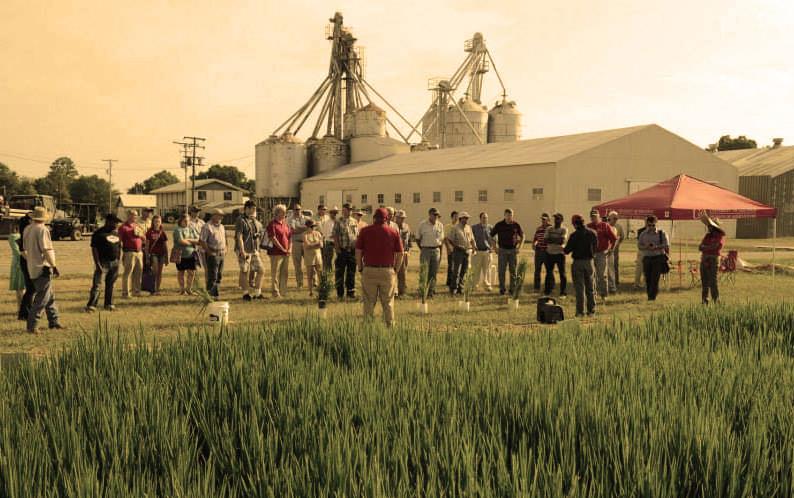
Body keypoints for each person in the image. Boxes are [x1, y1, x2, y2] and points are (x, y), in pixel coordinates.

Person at [355, 208, 404, 327]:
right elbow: (400, 253)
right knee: (388, 302)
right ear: (387, 218)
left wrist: (360, 267)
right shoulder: (393, 232)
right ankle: (390, 326)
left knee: (368, 302)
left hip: (369, 270)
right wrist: (396, 270)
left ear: (373, 218)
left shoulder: (364, 231)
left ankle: (368, 326)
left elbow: (358, 251)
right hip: (387, 271)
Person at [22, 206, 62, 333]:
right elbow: (47, 250)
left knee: (49, 296)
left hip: (32, 266)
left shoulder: (27, 229)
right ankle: (32, 326)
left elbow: (23, 249)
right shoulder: (43, 230)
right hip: (43, 267)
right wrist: (54, 265)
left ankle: (54, 322)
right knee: (42, 298)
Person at [86, 214, 122, 311]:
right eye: (115, 222)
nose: (117, 225)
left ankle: (109, 304)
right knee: (97, 285)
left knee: (111, 284)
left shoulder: (116, 234)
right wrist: (97, 264)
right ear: (108, 222)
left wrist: (118, 260)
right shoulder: (98, 234)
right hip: (102, 262)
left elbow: (119, 247)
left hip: (114, 263)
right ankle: (92, 305)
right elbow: (94, 249)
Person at [564, 214, 597, 317]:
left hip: (578, 263)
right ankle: (591, 311)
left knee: (579, 288)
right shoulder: (592, 233)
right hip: (589, 262)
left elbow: (567, 251)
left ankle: (580, 312)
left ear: (574, 224)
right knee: (590, 287)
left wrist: (562, 247)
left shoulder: (574, 235)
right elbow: (596, 247)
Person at [490, 209, 524, 296]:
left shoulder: (516, 225)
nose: (509, 217)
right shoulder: (499, 225)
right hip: (502, 250)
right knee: (501, 271)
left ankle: (512, 289)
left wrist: (519, 247)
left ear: (513, 215)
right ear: (504, 215)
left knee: (513, 271)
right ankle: (502, 289)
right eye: (507, 215)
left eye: (511, 215)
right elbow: (491, 236)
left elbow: (523, 236)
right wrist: (495, 248)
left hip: (513, 251)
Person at [235, 200, 264, 300]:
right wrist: (242, 251)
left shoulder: (254, 220)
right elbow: (239, 236)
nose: (254, 211)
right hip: (244, 250)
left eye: (255, 209)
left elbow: (258, 235)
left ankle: (257, 293)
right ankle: (245, 294)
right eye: (252, 209)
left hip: (254, 250)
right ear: (246, 208)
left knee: (261, 270)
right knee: (244, 271)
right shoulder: (241, 220)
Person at [587, 210, 617, 302]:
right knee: (591, 275)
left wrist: (611, 249)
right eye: (592, 216)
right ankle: (593, 294)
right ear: (590, 217)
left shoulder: (604, 225)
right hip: (590, 254)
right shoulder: (588, 227)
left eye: (595, 216)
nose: (594, 218)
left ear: (599, 216)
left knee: (602, 274)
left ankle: (604, 294)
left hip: (601, 253)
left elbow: (614, 238)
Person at [637, 215, 669, 301]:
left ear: (656, 223)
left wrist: (656, 247)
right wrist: (646, 247)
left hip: (658, 258)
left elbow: (666, 245)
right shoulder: (643, 234)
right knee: (648, 278)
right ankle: (649, 294)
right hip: (647, 258)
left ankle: (652, 297)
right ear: (647, 224)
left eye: (653, 225)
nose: (651, 227)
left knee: (655, 278)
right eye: (649, 225)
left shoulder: (661, 233)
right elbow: (639, 246)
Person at [415, 207, 444, 298]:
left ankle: (431, 291)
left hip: (436, 250)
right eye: (434, 215)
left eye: (437, 215)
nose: (436, 217)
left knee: (433, 272)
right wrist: (423, 248)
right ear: (430, 215)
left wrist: (440, 252)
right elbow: (417, 238)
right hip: (425, 250)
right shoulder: (422, 225)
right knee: (424, 271)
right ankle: (422, 290)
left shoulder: (440, 225)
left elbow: (441, 240)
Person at [333, 203, 359, 299]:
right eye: (347, 209)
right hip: (342, 250)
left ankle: (350, 292)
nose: (349, 211)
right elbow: (335, 235)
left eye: (350, 209)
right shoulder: (338, 221)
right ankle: (340, 293)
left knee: (351, 272)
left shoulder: (354, 221)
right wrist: (337, 249)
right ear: (343, 210)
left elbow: (357, 235)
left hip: (352, 251)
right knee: (340, 272)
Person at [698, 213, 725, 305]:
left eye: (710, 226)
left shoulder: (719, 237)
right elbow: (700, 247)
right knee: (704, 282)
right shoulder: (707, 236)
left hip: (713, 260)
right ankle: (704, 301)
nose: (709, 227)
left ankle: (716, 300)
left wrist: (705, 247)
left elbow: (716, 246)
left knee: (713, 282)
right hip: (704, 259)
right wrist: (707, 247)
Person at [200, 208, 227, 298]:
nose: (221, 217)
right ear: (213, 215)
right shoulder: (207, 227)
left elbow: (225, 239)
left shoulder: (222, 226)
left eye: (222, 216)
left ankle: (216, 294)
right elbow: (202, 241)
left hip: (222, 253)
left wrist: (226, 249)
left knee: (219, 275)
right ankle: (210, 295)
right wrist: (209, 252)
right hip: (213, 254)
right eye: (219, 215)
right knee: (212, 276)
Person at [266, 204, 292, 298]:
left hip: (286, 253)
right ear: (277, 212)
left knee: (284, 273)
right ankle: (275, 292)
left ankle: (283, 292)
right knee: (275, 273)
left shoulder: (286, 224)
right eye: (283, 211)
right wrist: (282, 249)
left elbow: (290, 238)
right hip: (275, 253)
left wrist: (289, 249)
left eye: (285, 211)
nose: (285, 213)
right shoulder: (272, 224)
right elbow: (272, 238)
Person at [447, 212, 476, 295]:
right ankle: (453, 289)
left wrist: (474, 247)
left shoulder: (468, 228)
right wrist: (457, 246)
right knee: (456, 271)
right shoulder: (455, 228)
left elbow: (472, 239)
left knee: (464, 271)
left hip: (467, 252)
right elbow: (450, 239)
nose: (466, 219)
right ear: (460, 218)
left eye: (467, 218)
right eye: (464, 218)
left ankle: (461, 288)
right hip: (458, 252)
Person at [119, 209, 145, 298]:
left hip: (139, 252)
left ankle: (136, 292)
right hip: (129, 252)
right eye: (134, 215)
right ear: (129, 216)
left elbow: (144, 239)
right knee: (128, 273)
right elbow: (119, 241)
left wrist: (140, 235)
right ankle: (126, 293)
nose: (135, 217)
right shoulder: (123, 227)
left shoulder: (137, 226)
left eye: (136, 215)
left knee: (138, 273)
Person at [173, 214, 200, 295]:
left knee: (191, 272)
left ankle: (189, 289)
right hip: (180, 254)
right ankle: (182, 289)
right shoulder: (178, 230)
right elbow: (181, 241)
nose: (187, 222)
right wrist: (192, 242)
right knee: (181, 272)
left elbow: (198, 240)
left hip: (191, 254)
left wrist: (188, 239)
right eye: (185, 221)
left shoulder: (191, 229)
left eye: (188, 221)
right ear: (180, 221)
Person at [543, 213, 568, 297]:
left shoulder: (564, 229)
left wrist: (552, 239)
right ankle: (547, 291)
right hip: (549, 253)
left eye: (558, 219)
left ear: (561, 220)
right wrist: (556, 239)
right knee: (549, 273)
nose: (556, 220)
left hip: (560, 254)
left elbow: (562, 241)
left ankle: (563, 292)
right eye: (555, 219)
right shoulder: (549, 228)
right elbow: (545, 240)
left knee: (562, 273)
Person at [145, 215, 169, 295]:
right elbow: (147, 245)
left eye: (159, 221)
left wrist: (167, 257)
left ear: (161, 222)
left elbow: (165, 246)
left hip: (161, 254)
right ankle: (152, 289)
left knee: (159, 272)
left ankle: (157, 289)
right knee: (155, 271)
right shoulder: (149, 232)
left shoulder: (162, 232)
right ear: (153, 222)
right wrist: (147, 257)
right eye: (155, 221)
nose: (157, 223)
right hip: (153, 254)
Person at [16, 213, 34, 320]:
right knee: (31, 288)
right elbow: (23, 252)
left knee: (30, 288)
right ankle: (23, 312)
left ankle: (26, 311)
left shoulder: (23, 235)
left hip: (25, 261)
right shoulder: (25, 236)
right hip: (27, 261)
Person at [471, 212, 495, 291]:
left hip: (487, 252)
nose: (485, 219)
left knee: (487, 270)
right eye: (483, 217)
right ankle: (474, 286)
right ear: (480, 218)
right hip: (477, 252)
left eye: (486, 218)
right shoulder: (474, 228)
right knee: (476, 270)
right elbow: (471, 239)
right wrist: (473, 248)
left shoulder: (490, 228)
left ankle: (487, 286)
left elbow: (494, 239)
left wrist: (492, 248)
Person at [287, 204, 309, 289]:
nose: (297, 211)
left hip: (306, 242)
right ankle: (300, 283)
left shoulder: (307, 219)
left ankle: (314, 282)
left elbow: (310, 229)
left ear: (301, 209)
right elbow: (292, 231)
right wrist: (304, 228)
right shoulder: (289, 219)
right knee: (297, 265)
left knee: (310, 263)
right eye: (295, 209)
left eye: (298, 209)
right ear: (293, 210)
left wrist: (298, 228)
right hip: (295, 243)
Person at [303, 220, 324, 296]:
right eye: (312, 227)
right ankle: (310, 291)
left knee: (320, 273)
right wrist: (316, 244)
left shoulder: (317, 233)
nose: (313, 228)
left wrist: (312, 244)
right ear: (307, 227)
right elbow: (307, 245)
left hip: (318, 256)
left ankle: (321, 289)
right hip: (309, 257)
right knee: (310, 275)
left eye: (314, 226)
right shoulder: (304, 234)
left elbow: (321, 245)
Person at [394, 210, 412, 297]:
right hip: (394, 253)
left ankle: (402, 292)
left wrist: (409, 251)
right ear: (396, 218)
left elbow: (409, 240)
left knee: (403, 273)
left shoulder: (407, 227)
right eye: (399, 218)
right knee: (393, 272)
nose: (401, 219)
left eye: (403, 218)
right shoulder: (392, 226)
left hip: (404, 252)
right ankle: (394, 292)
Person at [531, 213, 551, 292]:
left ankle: (548, 287)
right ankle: (536, 287)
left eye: (545, 219)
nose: (543, 221)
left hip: (547, 252)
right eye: (542, 219)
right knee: (537, 270)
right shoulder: (539, 228)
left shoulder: (551, 228)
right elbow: (535, 238)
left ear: (548, 220)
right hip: (539, 251)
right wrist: (533, 244)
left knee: (549, 270)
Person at [8, 224, 25, 308]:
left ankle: (20, 308)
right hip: (22, 261)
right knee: (23, 287)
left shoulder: (12, 236)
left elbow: (16, 251)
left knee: (19, 288)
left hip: (17, 263)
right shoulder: (21, 235)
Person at [607, 211, 625, 292]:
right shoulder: (605, 226)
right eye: (614, 218)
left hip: (615, 250)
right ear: (609, 218)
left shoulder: (619, 227)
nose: (615, 220)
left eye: (616, 218)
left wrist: (616, 245)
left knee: (615, 266)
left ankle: (615, 282)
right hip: (605, 250)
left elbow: (622, 237)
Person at [444, 211, 459, 288]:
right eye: (455, 216)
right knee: (451, 265)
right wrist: (448, 248)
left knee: (457, 266)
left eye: (457, 216)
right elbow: (445, 238)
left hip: (458, 250)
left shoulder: (459, 226)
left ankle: (455, 281)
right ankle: (449, 281)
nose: (456, 218)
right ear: (452, 217)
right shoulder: (448, 226)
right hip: (451, 249)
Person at [320, 206, 338, 272]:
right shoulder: (327, 222)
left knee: (336, 259)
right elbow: (324, 234)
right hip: (329, 243)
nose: (334, 214)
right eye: (332, 213)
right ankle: (328, 273)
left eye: (335, 213)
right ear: (330, 214)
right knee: (328, 260)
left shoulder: (338, 222)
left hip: (337, 243)